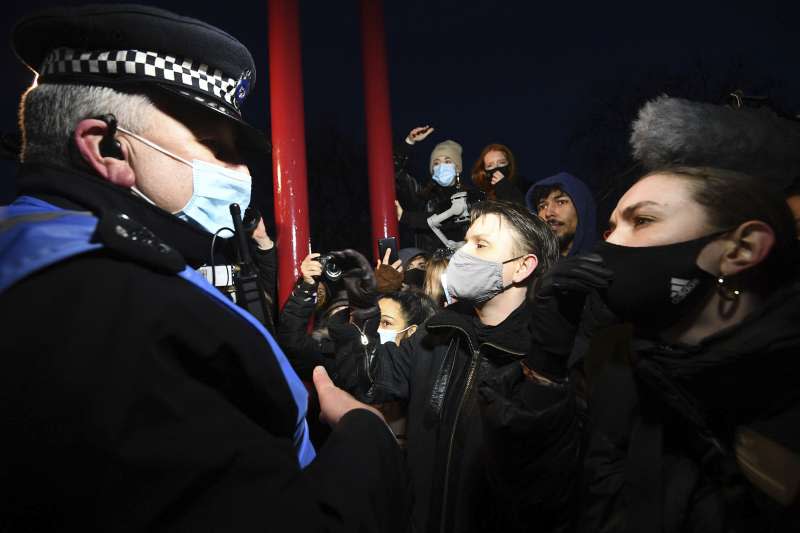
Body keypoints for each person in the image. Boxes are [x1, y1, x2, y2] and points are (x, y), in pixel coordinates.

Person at [0, 5, 407, 530]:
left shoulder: (40, 253)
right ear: (108, 147)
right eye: (217, 147)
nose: (240, 173)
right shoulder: (134, 310)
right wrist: (364, 438)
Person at [344, 200, 588, 532]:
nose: (462, 254)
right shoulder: (437, 334)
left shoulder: (547, 362)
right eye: (466, 242)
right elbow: (369, 378)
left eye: (481, 245)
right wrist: (361, 312)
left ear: (522, 267)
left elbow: (552, 487)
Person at [578, 166, 800, 532]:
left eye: (643, 220)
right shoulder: (630, 376)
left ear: (741, 249)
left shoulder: (784, 408)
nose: (610, 245)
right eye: (611, 227)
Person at [395, 132, 479, 251]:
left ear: (458, 168)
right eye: (436, 163)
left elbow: (450, 217)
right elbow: (394, 171)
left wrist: (407, 217)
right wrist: (408, 142)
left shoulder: (471, 196)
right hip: (431, 264)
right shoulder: (422, 196)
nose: (441, 166)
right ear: (432, 170)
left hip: (465, 262)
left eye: (448, 161)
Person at [526, 171, 597, 257]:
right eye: (542, 206)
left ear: (582, 209)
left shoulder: (607, 265)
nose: (548, 213)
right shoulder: (531, 266)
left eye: (561, 202)